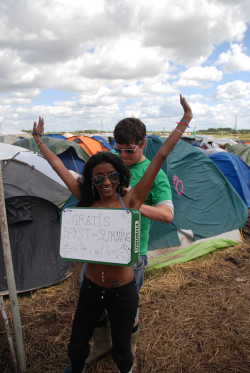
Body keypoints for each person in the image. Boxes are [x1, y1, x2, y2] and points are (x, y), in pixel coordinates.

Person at [32, 95, 193, 373]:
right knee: (83, 331)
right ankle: (92, 353)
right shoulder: (87, 197)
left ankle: (125, 363)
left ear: (121, 176)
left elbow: (162, 156)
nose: (106, 182)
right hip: (93, 281)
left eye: (113, 176)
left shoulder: (131, 200)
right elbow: (60, 169)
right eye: (98, 178)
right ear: (91, 180)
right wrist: (39, 142)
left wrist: (185, 121)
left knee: (124, 331)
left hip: (126, 277)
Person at [83, 115, 176, 366]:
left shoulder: (154, 174)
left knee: (127, 312)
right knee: (96, 308)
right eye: (118, 149)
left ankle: (128, 358)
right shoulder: (111, 164)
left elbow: (167, 214)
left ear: (142, 144)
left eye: (129, 150)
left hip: (131, 256)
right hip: (100, 250)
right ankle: (102, 345)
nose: (123, 156)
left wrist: (134, 203)